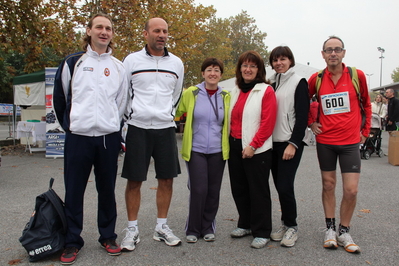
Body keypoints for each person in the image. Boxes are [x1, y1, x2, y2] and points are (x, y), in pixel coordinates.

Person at [53, 13, 127, 264]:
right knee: (74, 191)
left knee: (106, 190)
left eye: (108, 28)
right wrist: (72, 127)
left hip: (107, 138)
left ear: (112, 34)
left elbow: (121, 103)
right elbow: (60, 99)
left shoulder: (118, 67)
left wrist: (112, 128)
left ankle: (108, 236)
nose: (104, 32)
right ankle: (72, 241)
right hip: (78, 138)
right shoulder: (72, 62)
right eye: (99, 27)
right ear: (89, 31)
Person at [120, 17, 184, 251]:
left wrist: (166, 114)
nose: (162, 35)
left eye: (165, 31)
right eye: (156, 30)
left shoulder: (177, 63)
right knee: (134, 180)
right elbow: (124, 93)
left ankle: (161, 227)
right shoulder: (131, 60)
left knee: (166, 179)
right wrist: (132, 117)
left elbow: (176, 96)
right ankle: (132, 229)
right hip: (138, 128)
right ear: (145, 33)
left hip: (165, 129)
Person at [308, 36, 371, 254]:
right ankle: (330, 229)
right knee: (328, 185)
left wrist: (365, 131)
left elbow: (366, 103)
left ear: (343, 53)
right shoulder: (315, 79)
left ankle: (344, 231)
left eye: (337, 49)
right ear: (323, 54)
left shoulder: (356, 75)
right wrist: (311, 122)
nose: (333, 53)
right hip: (325, 141)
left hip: (350, 142)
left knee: (351, 190)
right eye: (328, 50)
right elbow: (302, 101)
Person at [176, 58, 230, 243]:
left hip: (217, 150)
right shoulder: (192, 93)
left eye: (216, 70)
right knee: (199, 189)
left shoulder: (226, 96)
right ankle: (193, 228)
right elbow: (176, 112)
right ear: (203, 73)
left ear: (221, 75)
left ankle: (207, 227)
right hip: (196, 148)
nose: (212, 73)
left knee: (213, 190)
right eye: (209, 70)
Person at [228, 50, 277, 249]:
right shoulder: (236, 90)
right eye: (245, 65)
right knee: (239, 188)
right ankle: (245, 224)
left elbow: (267, 122)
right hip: (235, 145)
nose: (248, 69)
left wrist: (253, 145)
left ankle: (262, 231)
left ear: (259, 70)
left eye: (253, 66)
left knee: (258, 190)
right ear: (240, 69)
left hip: (257, 149)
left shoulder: (265, 90)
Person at [268, 46, 309, 247]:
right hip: (272, 143)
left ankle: (292, 226)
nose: (279, 63)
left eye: (283, 59)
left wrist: (293, 143)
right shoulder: (272, 82)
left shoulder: (298, 82)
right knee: (279, 186)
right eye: (275, 60)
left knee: (285, 185)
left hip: (289, 143)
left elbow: (302, 117)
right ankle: (285, 224)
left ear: (290, 60)